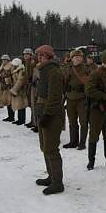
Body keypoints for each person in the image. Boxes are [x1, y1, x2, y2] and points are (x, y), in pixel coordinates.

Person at [34, 45, 65, 195]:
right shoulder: (43, 70)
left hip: (52, 115)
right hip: (44, 112)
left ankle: (57, 183)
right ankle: (51, 176)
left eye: (42, 55)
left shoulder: (54, 72)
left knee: (51, 148)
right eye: (38, 55)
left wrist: (47, 115)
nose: (39, 57)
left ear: (49, 56)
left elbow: (54, 98)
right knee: (44, 147)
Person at [63, 50, 90, 150]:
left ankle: (82, 143)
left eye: (79, 56)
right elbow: (63, 82)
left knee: (83, 122)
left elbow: (89, 83)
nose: (77, 58)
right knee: (72, 121)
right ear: (72, 58)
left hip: (82, 98)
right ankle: (73, 141)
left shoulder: (86, 69)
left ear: (82, 58)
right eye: (75, 56)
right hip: (70, 97)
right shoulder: (67, 69)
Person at [10, 58, 28, 125]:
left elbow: (20, 81)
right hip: (17, 88)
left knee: (21, 105)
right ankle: (19, 119)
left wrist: (14, 90)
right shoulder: (16, 70)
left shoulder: (21, 70)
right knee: (18, 104)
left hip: (20, 90)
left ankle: (22, 120)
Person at [0, 55, 14, 122]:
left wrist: (9, 82)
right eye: (3, 60)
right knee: (6, 101)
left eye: (5, 60)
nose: (4, 61)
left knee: (10, 102)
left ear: (8, 60)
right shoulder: (1, 66)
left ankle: (11, 117)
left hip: (9, 85)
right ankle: (9, 116)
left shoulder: (11, 66)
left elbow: (13, 75)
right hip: (3, 85)